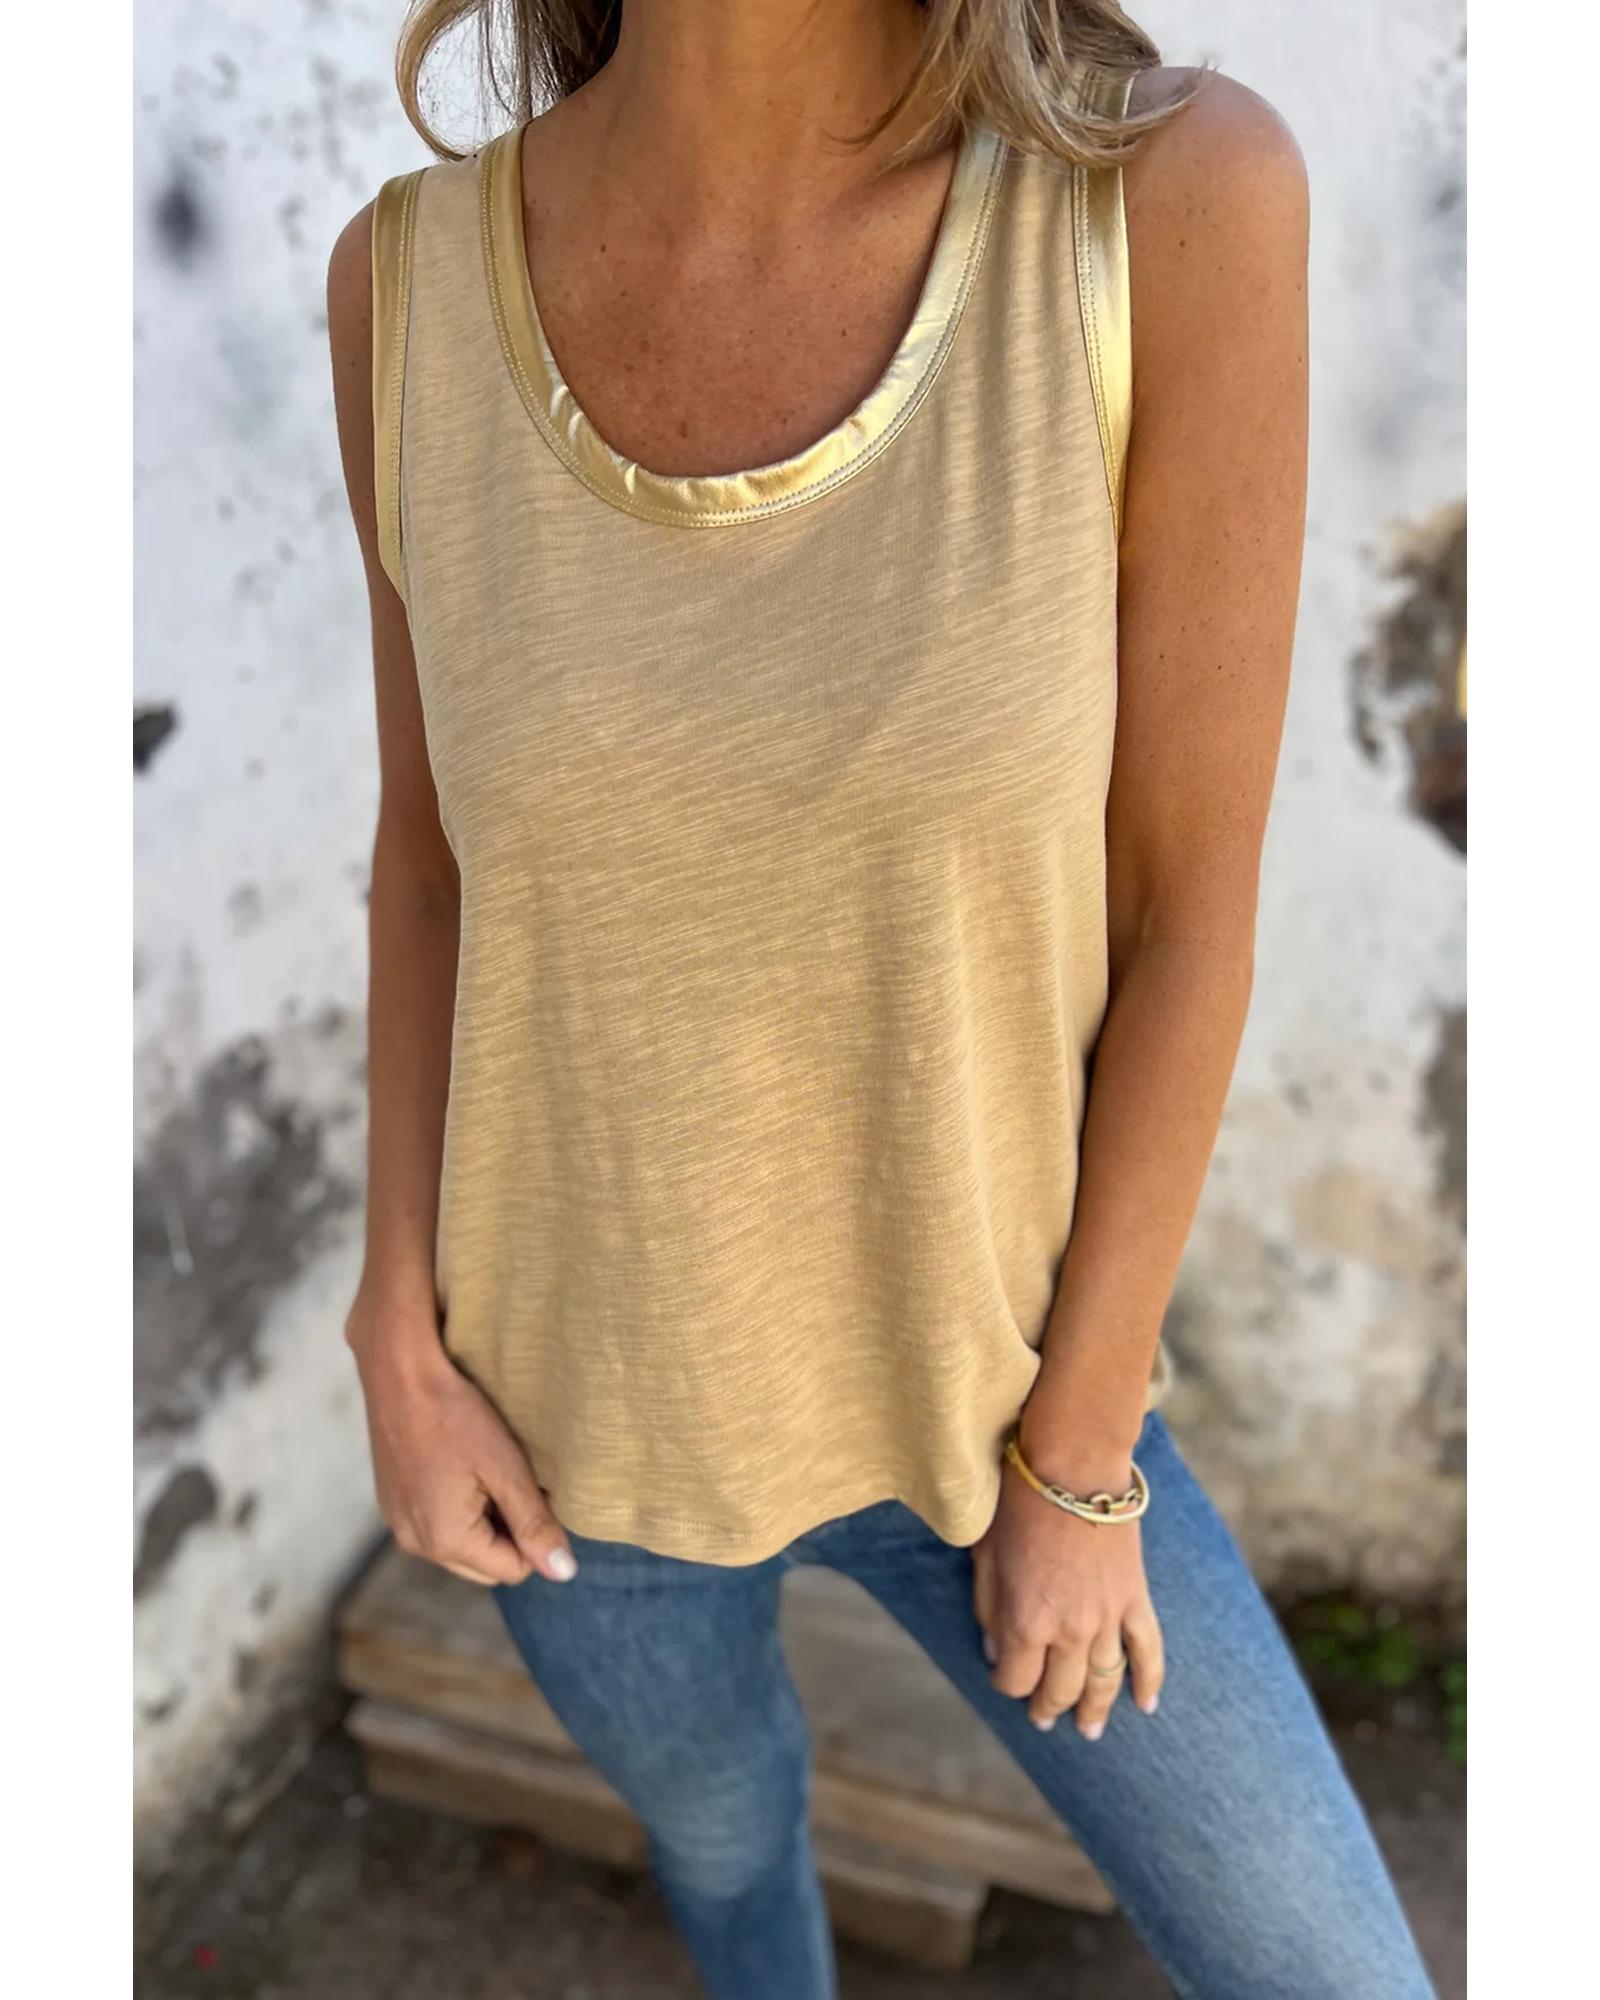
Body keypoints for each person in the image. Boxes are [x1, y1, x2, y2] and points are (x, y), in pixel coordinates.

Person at [326, 3, 1436, 1994]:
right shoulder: (405, 284)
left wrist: (1078, 1462)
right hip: (569, 1428)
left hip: (1004, 1404)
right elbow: (429, 867)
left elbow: (1188, 905)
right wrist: (395, 1330)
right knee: (728, 1845)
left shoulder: (1158, 203)